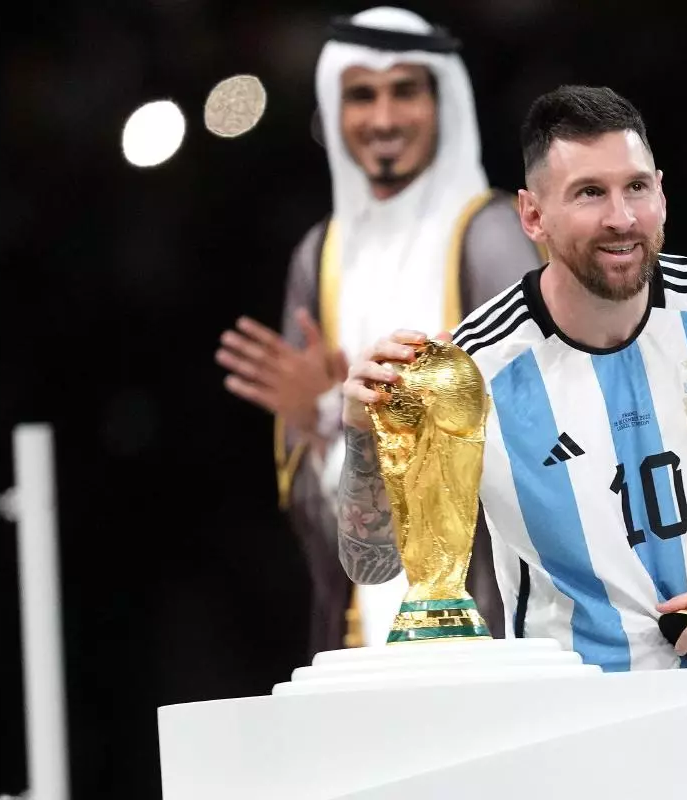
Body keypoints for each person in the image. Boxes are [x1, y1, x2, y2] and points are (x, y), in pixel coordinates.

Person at [337, 84, 687, 670]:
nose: (622, 218)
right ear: (533, 216)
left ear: (661, 193)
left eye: (636, 187)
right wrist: (364, 438)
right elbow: (374, 567)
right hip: (564, 714)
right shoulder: (471, 371)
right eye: (590, 193)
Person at [214, 6, 541, 658]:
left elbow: (539, 440)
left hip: (490, 621)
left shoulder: (491, 233)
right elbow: (321, 516)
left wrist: (357, 424)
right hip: (368, 630)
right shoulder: (320, 255)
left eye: (405, 92)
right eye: (361, 95)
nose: (384, 119)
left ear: (441, 99)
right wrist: (318, 423)